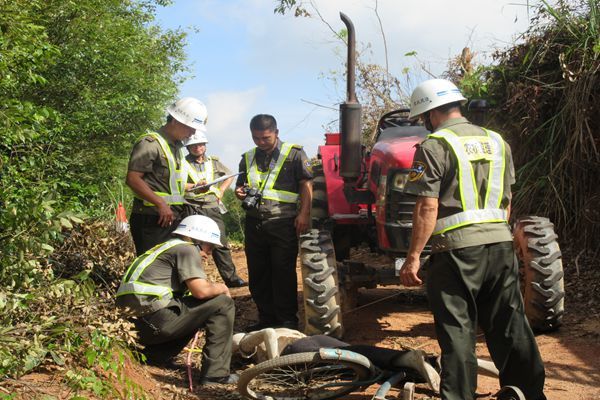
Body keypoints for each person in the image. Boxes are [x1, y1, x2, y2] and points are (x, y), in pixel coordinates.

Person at [399, 79, 546, 400]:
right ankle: (529, 393)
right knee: (510, 324)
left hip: (456, 253)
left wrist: (413, 257)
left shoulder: (433, 146)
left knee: (458, 332)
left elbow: (427, 205)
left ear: (429, 114)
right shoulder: (498, 142)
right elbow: (506, 200)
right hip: (500, 248)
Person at [116, 215, 237, 385]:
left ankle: (155, 356)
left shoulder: (165, 247)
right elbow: (201, 292)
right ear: (196, 239)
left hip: (134, 326)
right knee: (223, 304)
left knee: (194, 310)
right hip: (155, 321)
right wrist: (223, 288)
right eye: (209, 247)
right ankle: (215, 375)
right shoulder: (187, 249)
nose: (209, 254)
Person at [235, 114, 313, 331]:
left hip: (284, 222)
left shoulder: (294, 154)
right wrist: (240, 193)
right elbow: (240, 186)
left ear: (276, 133)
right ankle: (266, 319)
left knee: (283, 272)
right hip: (255, 224)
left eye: (266, 138)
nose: (261, 142)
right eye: (256, 138)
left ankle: (287, 320)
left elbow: (307, 185)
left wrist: (304, 214)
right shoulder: (247, 157)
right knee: (258, 273)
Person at [126, 97, 208, 256]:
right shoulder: (150, 144)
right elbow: (133, 179)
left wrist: (194, 188)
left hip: (171, 218)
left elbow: (168, 185)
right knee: (153, 268)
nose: (193, 133)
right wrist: (160, 203)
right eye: (191, 127)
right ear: (176, 121)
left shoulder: (176, 148)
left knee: (170, 268)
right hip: (151, 219)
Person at [183, 127, 247, 288]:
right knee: (194, 245)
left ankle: (231, 279)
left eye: (200, 145)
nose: (198, 148)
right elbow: (177, 184)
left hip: (212, 206)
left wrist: (221, 191)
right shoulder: (182, 163)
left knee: (220, 242)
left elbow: (229, 175)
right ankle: (196, 282)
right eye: (194, 145)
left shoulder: (214, 162)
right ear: (188, 147)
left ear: (205, 145)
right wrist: (194, 186)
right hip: (191, 206)